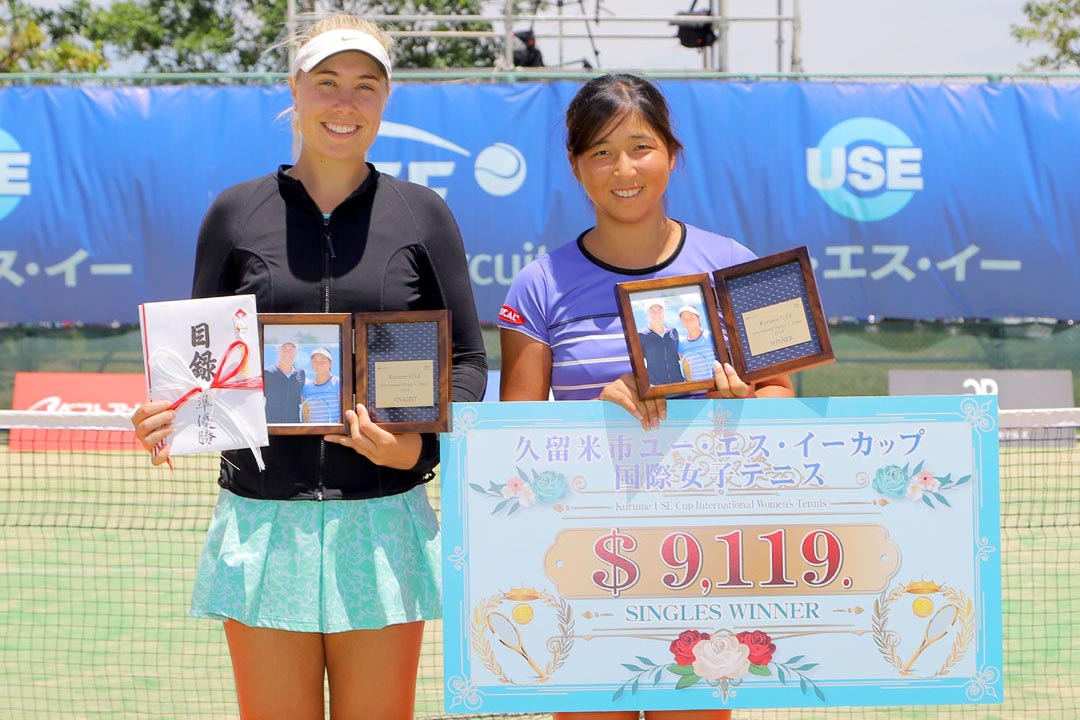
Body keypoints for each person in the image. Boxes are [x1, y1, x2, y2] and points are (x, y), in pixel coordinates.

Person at [130, 14, 487, 720]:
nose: (344, 103)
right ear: (293, 89)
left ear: (386, 99)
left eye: (364, 86)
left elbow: (470, 364)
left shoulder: (423, 214)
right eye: (326, 83)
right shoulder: (235, 213)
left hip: (383, 525)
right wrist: (166, 413)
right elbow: (194, 360)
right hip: (262, 524)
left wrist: (418, 444)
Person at [498, 73, 793, 719]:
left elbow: (783, 401)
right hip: (584, 564)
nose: (622, 168)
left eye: (640, 146)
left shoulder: (734, 264)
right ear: (575, 166)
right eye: (600, 151)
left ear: (671, 154)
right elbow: (513, 443)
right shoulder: (536, 286)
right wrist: (590, 419)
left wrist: (742, 404)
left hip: (706, 559)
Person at [638, 300, 684, 385]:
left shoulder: (673, 331)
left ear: (664, 312)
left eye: (659, 310)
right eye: (652, 310)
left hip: (678, 383)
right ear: (647, 313)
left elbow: (681, 356)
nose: (656, 314)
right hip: (656, 386)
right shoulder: (641, 335)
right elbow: (638, 363)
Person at [264, 338, 305, 422]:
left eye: (291, 349)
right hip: (271, 427)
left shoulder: (300, 373)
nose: (287, 352)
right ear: (278, 350)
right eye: (284, 349)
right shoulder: (267, 373)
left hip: (294, 427)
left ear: (296, 352)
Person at [301, 347, 341, 423]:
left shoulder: (338, 382)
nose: (318, 364)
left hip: (334, 432)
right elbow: (305, 415)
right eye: (315, 361)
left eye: (323, 361)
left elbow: (344, 410)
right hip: (313, 433)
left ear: (330, 363)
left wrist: (335, 429)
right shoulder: (306, 387)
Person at [677, 305, 714, 381]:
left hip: (716, 386)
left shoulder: (711, 336)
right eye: (683, 318)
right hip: (697, 387)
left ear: (698, 318)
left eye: (691, 316)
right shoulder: (681, 343)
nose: (687, 321)